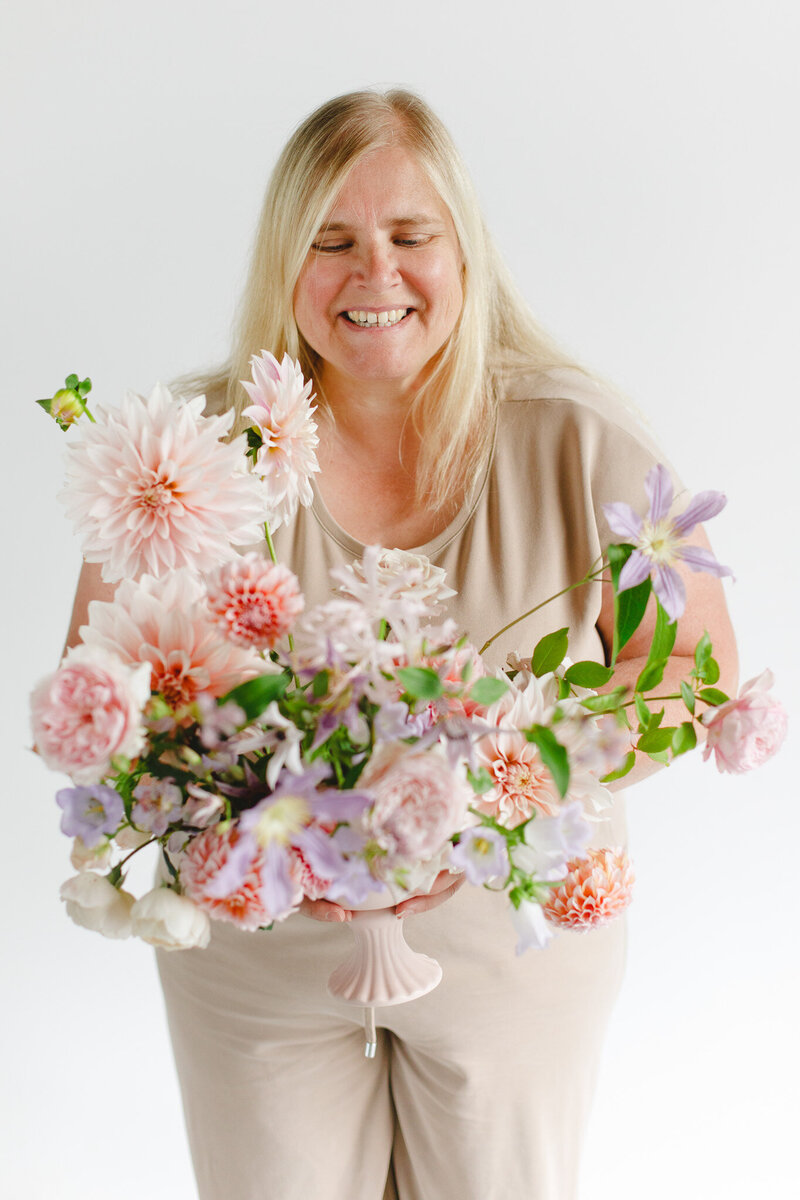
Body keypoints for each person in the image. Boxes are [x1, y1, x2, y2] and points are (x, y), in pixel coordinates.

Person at [65, 89, 737, 1200]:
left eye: (408, 236)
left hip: (508, 948)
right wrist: (257, 821)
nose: (373, 274)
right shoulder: (190, 452)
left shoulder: (577, 437)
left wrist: (492, 787)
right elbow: (109, 701)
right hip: (258, 945)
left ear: (462, 252)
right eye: (330, 243)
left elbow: (682, 677)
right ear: (286, 264)